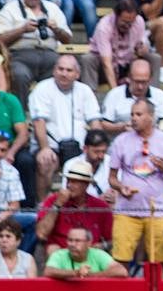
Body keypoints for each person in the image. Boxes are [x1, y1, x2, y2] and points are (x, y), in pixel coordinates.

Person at [108, 98, 163, 265]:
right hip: (126, 210)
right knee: (120, 261)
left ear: (150, 116)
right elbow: (112, 178)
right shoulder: (121, 141)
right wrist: (121, 187)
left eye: (139, 114)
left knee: (159, 262)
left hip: (157, 211)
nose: (134, 118)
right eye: (132, 114)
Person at [28, 54, 105, 196]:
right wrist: (44, 148)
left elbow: (95, 122)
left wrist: (97, 147)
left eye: (69, 70)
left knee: (98, 159)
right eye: (60, 69)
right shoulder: (42, 88)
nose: (64, 73)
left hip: (80, 147)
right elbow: (39, 122)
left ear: (77, 74)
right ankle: (43, 206)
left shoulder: (85, 91)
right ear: (54, 71)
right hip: (52, 147)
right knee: (45, 161)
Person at [0, 0, 72, 103]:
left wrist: (56, 29)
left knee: (66, 72)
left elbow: (67, 40)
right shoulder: (9, 10)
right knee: (19, 75)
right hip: (20, 56)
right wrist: (21, 30)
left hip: (50, 56)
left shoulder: (52, 8)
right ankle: (21, 118)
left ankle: (57, 116)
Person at [35, 156, 113, 248]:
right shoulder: (53, 200)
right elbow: (41, 234)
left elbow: (112, 240)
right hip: (61, 253)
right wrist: (57, 205)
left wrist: (101, 246)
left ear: (86, 184)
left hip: (90, 253)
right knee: (52, 249)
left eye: (74, 182)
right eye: (68, 180)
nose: (69, 185)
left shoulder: (100, 206)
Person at [88, 1, 160, 92]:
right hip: (105, 65)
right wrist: (115, 93)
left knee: (154, 58)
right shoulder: (104, 27)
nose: (128, 25)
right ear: (116, 16)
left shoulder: (139, 21)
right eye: (124, 21)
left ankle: (152, 95)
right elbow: (107, 63)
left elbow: (140, 47)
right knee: (88, 59)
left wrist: (142, 49)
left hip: (128, 63)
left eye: (131, 22)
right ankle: (90, 95)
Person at [99, 57, 163, 137]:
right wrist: (121, 127)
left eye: (144, 82)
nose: (140, 87)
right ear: (128, 78)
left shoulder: (160, 96)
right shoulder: (114, 94)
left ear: (150, 79)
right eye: (137, 81)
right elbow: (104, 124)